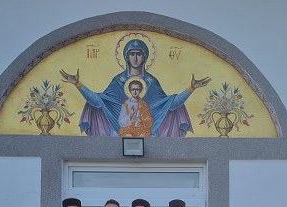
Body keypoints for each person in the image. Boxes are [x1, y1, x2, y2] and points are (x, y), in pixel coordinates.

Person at [60, 38, 210, 137]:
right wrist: (78, 84)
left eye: (139, 54)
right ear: (126, 57)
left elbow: (168, 105)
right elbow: (100, 102)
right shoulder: (118, 81)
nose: (135, 58)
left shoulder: (151, 82)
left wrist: (191, 88)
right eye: (132, 54)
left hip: (146, 131)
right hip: (122, 130)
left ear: (144, 57)